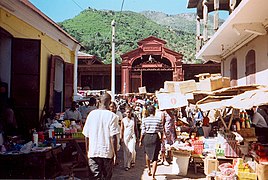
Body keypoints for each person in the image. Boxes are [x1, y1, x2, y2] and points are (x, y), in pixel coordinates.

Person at [82, 93, 119, 179]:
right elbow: (113, 137)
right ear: (110, 103)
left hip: (93, 152)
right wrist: (115, 154)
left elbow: (86, 136)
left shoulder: (91, 115)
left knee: (95, 177)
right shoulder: (113, 116)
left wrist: (87, 151)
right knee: (107, 177)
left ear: (99, 101)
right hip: (107, 153)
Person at [139, 105, 163, 180]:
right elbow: (161, 131)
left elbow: (142, 131)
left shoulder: (145, 120)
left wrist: (140, 140)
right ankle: (153, 176)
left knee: (147, 153)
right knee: (155, 157)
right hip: (155, 138)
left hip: (147, 137)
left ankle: (149, 169)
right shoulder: (158, 120)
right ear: (154, 111)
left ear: (148, 112)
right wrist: (161, 139)